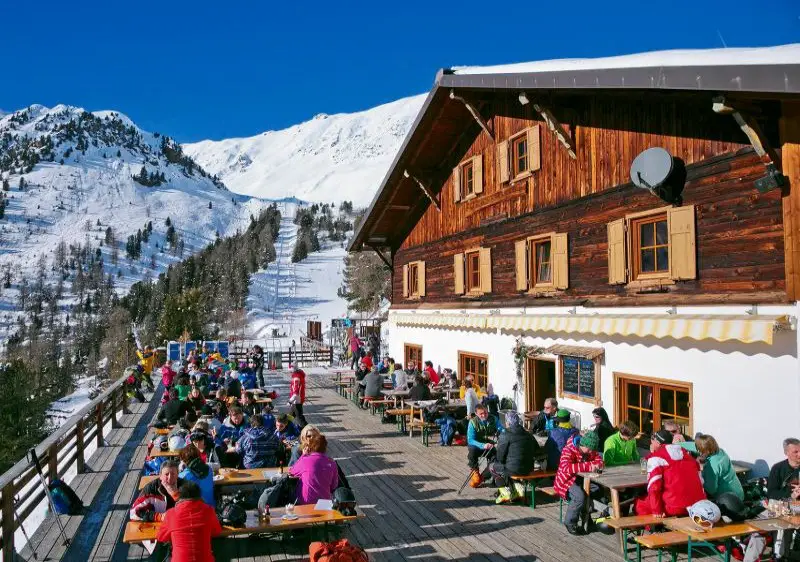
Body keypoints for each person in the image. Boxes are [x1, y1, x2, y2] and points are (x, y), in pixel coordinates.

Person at [634, 430, 706, 516]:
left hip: (674, 507)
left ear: (657, 442)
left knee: (639, 504)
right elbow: (701, 482)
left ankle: (652, 528)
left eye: (653, 439)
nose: (651, 441)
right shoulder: (687, 455)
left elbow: (654, 487)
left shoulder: (657, 459)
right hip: (696, 505)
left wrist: (656, 511)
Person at [156, 481, 222, 562]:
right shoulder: (209, 510)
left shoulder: (171, 513)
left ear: (180, 496)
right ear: (199, 495)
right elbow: (217, 531)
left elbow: (161, 537)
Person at [553, 431, 604, 535]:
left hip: (582, 479)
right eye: (589, 449)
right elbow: (565, 467)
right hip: (566, 481)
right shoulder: (568, 450)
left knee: (597, 490)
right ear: (583, 444)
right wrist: (588, 466)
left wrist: (596, 465)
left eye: (592, 450)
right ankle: (570, 522)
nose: (590, 452)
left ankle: (586, 515)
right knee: (579, 496)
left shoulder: (590, 450)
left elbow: (599, 461)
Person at [676, 433, 744, 500]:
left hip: (728, 500)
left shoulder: (712, 466)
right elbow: (695, 446)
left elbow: (711, 489)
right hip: (738, 492)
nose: (699, 452)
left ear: (706, 451)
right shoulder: (720, 451)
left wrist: (698, 478)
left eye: (700, 450)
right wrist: (678, 444)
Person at [491, 410, 539, 504]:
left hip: (513, 469)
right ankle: (517, 487)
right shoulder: (528, 434)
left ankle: (505, 491)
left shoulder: (505, 434)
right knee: (508, 466)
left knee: (493, 466)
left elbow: (500, 456)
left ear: (507, 422)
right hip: (528, 468)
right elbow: (536, 449)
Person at [289, 432, 339, 505]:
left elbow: (292, 471)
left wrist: (303, 455)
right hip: (325, 503)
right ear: (325, 448)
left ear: (310, 447)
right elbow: (334, 486)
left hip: (306, 502)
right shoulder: (332, 463)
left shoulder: (305, 460)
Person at [466, 404, 504, 483]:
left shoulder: (494, 418)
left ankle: (484, 476)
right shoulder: (472, 422)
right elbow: (470, 440)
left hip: (490, 445)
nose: (484, 415)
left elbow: (501, 429)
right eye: (481, 414)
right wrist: (483, 445)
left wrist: (504, 432)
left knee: (497, 457)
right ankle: (475, 471)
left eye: (485, 413)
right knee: (471, 450)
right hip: (477, 446)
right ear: (476, 413)